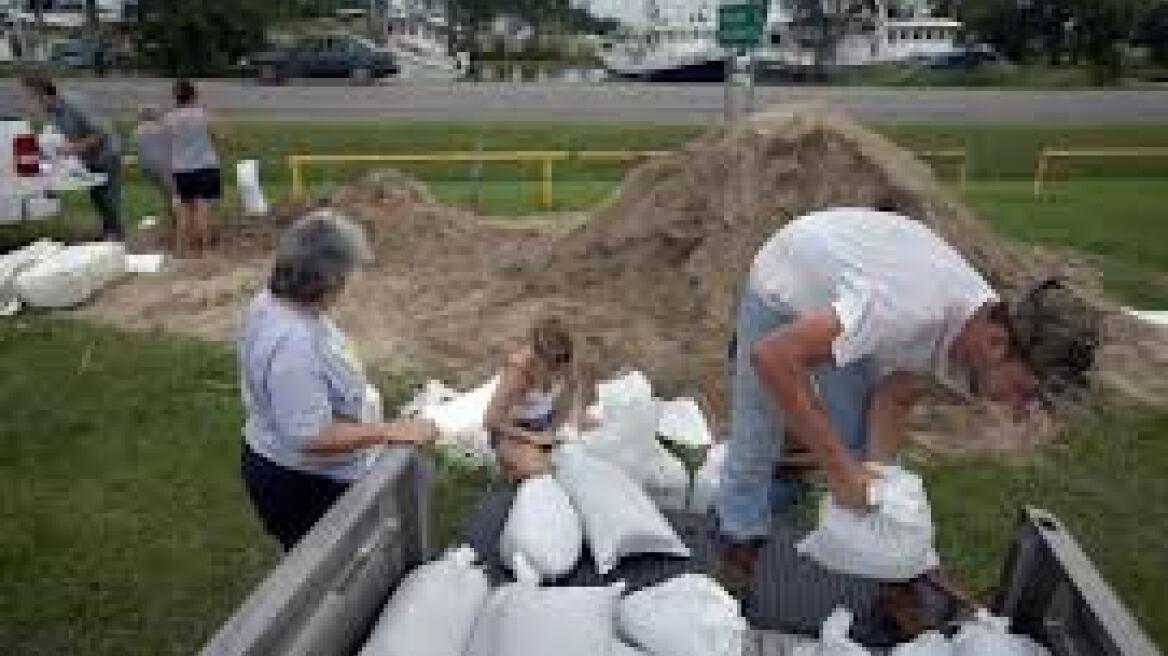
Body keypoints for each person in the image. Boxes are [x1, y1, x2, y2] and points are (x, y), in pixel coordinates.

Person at [714, 207, 1099, 589]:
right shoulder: (902, 311)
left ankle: (889, 574)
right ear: (997, 344)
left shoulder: (977, 335)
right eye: (1022, 392)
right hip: (789, 272)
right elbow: (772, 357)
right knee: (758, 427)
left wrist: (881, 493)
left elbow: (893, 396)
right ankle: (738, 535)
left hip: (859, 282)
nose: (1017, 408)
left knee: (860, 439)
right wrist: (839, 469)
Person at [239, 209, 437, 551]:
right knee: (324, 573)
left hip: (299, 465)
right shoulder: (292, 346)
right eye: (343, 275)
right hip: (301, 481)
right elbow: (311, 434)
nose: (346, 285)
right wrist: (388, 431)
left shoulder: (274, 304)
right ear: (323, 279)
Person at [483, 316, 589, 481]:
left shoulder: (565, 361)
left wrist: (576, 414)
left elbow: (575, 385)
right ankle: (509, 471)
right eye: (552, 366)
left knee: (596, 440)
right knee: (539, 468)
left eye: (561, 364)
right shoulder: (517, 374)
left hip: (546, 423)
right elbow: (490, 421)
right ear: (537, 356)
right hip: (513, 430)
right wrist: (532, 438)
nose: (558, 370)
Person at [20, 73, 123, 241]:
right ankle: (109, 232)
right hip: (89, 155)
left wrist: (75, 148)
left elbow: (100, 132)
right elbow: (64, 134)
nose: (34, 101)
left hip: (107, 153)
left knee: (108, 197)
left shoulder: (74, 103)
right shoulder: (52, 110)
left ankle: (116, 236)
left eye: (33, 96)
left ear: (43, 92)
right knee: (97, 196)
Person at [165, 79, 221, 257]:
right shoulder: (203, 115)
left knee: (185, 211)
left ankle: (181, 250)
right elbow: (218, 136)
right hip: (205, 166)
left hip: (181, 169)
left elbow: (168, 141)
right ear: (194, 95)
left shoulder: (169, 118)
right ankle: (205, 250)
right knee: (202, 210)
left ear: (176, 97)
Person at [132, 105, 177, 247]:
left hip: (150, 170)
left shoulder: (137, 131)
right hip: (166, 166)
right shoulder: (161, 129)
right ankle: (178, 228)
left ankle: (172, 223)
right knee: (177, 197)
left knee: (167, 196)